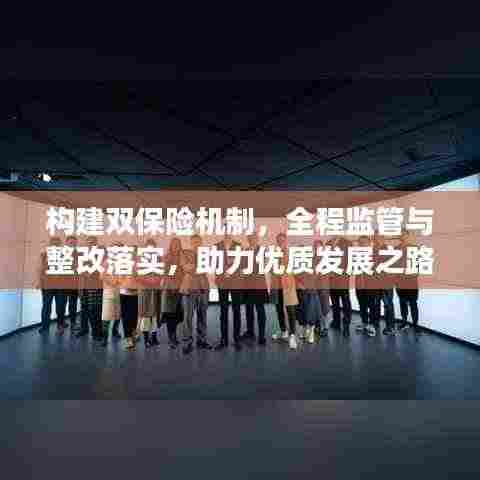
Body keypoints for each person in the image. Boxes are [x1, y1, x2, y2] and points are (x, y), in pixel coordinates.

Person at [179, 234, 212, 355]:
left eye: (198, 242)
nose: (197, 244)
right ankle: (187, 342)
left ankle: (201, 340)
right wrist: (198, 267)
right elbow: (186, 268)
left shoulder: (206, 254)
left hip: (203, 288)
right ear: (191, 243)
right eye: (194, 242)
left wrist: (194, 266)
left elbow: (207, 267)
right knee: (187, 317)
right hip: (188, 288)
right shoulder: (184, 253)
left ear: (201, 242)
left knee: (202, 315)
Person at [214, 232, 243, 351]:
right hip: (222, 282)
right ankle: (223, 340)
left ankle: (237, 339)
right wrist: (222, 271)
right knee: (223, 311)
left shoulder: (238, 246)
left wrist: (230, 271)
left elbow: (240, 263)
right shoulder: (216, 246)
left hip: (236, 282)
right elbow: (214, 263)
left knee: (236, 311)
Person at [270, 233, 299, 350]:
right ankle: (283, 331)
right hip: (276, 285)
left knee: (291, 311)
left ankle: (292, 335)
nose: (280, 242)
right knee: (279, 309)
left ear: (286, 241)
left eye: (282, 240)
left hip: (288, 285)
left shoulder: (290, 253)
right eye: (279, 240)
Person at [241, 232, 269, 346]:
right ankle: (250, 332)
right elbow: (242, 266)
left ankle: (262, 336)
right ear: (248, 240)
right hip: (247, 284)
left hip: (259, 285)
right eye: (250, 238)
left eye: (254, 238)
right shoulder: (245, 251)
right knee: (248, 309)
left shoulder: (263, 251)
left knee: (260, 309)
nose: (252, 240)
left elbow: (263, 266)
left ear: (257, 239)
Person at [37, 236, 67, 334]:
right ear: (50, 243)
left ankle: (60, 326)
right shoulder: (44, 254)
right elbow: (40, 268)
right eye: (53, 242)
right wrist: (39, 282)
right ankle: (45, 326)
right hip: (47, 284)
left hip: (61, 285)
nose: (55, 244)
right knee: (46, 306)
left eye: (57, 242)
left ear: (60, 244)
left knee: (60, 307)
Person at [76, 236, 104, 340]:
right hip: (83, 286)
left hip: (95, 287)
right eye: (89, 243)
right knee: (84, 309)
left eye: (93, 243)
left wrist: (90, 271)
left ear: (96, 244)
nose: (91, 244)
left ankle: (96, 333)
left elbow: (102, 269)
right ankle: (84, 329)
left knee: (95, 310)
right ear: (86, 244)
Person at [160, 237, 184, 349]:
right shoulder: (168, 257)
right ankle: (171, 338)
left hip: (180, 289)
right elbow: (168, 274)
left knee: (178, 315)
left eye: (178, 244)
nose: (176, 246)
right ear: (171, 246)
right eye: (174, 244)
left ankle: (173, 336)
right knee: (170, 315)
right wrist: (175, 266)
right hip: (170, 290)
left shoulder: (182, 256)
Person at [354, 236, 380, 337]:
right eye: (360, 242)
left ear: (369, 243)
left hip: (371, 285)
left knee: (372, 306)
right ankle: (364, 322)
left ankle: (372, 325)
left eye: (364, 242)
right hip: (359, 284)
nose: (362, 244)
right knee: (362, 305)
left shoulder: (375, 254)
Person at [138, 238, 161, 348]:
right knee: (146, 315)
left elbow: (162, 273)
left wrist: (157, 280)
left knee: (155, 315)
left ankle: (154, 337)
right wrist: (148, 281)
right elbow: (137, 275)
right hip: (145, 291)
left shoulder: (159, 259)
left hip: (155, 291)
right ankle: (146, 339)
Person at [396, 230, 420, 334]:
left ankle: (415, 325)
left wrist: (415, 273)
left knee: (413, 303)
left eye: (404, 234)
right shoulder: (396, 249)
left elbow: (419, 264)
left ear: (408, 235)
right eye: (401, 235)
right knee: (402, 302)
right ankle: (404, 322)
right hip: (400, 281)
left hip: (411, 281)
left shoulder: (414, 248)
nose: (403, 236)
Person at [328, 236, 352, 337]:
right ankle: (336, 322)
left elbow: (350, 261)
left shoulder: (347, 243)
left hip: (343, 279)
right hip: (331, 279)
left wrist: (344, 274)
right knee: (334, 302)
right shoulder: (328, 243)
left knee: (345, 303)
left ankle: (346, 326)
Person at [100, 243, 123, 347]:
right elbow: (102, 276)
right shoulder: (106, 262)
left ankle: (115, 331)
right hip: (109, 290)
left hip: (121, 291)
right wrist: (113, 282)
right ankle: (105, 337)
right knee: (106, 315)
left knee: (118, 313)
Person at [373, 233, 396, 336]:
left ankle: (390, 327)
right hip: (376, 283)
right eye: (374, 237)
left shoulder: (388, 250)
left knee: (388, 305)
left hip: (386, 283)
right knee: (376, 304)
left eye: (378, 237)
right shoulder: (374, 250)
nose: (376, 239)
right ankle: (375, 324)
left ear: (382, 238)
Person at [313, 238, 330, 338]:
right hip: (315, 286)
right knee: (317, 307)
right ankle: (318, 326)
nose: (316, 248)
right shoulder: (312, 258)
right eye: (315, 246)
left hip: (323, 286)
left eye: (318, 246)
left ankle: (325, 327)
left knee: (325, 307)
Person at [64, 235, 80, 330]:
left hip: (75, 282)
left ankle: (73, 322)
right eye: (71, 243)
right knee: (61, 304)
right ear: (66, 243)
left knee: (73, 303)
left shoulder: (78, 254)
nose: (72, 244)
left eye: (74, 243)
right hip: (63, 283)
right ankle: (61, 323)